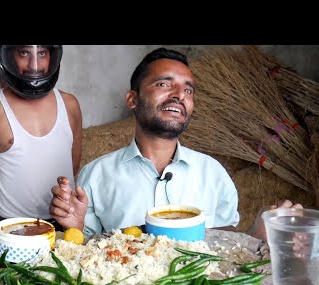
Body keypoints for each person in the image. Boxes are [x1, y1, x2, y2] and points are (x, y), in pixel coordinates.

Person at [49, 47, 301, 241]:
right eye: (164, 84)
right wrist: (77, 227)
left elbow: (226, 245)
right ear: (132, 99)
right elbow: (86, 252)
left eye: (188, 90)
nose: (179, 95)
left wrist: (258, 231)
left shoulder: (212, 173)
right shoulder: (96, 174)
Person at [0, 45, 83, 226]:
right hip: (14, 225)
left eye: (42, 53)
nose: (34, 65)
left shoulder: (70, 104)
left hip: (64, 221)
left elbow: (73, 163)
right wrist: (11, 195)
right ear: (7, 56)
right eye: (24, 53)